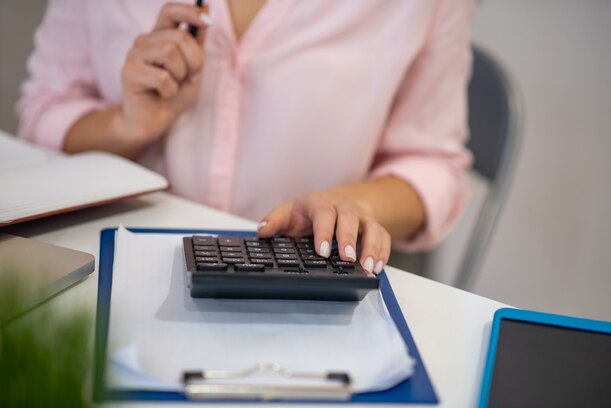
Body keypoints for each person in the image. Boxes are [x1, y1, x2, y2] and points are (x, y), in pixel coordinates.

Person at [18, 0, 474, 275]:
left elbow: (433, 164)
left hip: (302, 289)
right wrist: (126, 126)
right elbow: (44, 112)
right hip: (100, 264)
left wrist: (356, 206)